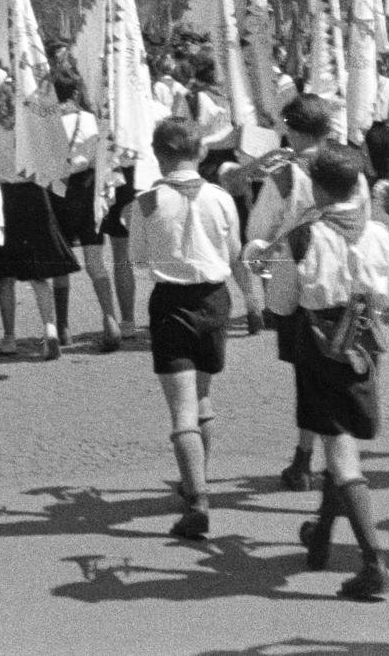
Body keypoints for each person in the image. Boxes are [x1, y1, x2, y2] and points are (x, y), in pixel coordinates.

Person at [242, 94, 370, 492]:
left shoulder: (284, 174)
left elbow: (257, 235)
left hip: (296, 282)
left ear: (293, 130)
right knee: (335, 369)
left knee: (309, 374)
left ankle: (311, 460)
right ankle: (321, 455)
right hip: (349, 283)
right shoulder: (352, 170)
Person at [286, 146, 389, 600]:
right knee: (340, 437)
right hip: (364, 341)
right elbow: (385, 294)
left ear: (318, 187)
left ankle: (374, 562)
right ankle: (322, 534)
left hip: (321, 342)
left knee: (341, 450)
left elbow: (280, 301)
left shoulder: (307, 232)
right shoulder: (380, 232)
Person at [126, 118, 241, 541]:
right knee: (203, 397)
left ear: (158, 154)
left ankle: (197, 500)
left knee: (182, 409)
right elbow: (233, 251)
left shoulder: (147, 201)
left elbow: (138, 258)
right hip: (214, 299)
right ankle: (198, 479)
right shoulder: (221, 197)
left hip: (172, 303)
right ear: (203, 153)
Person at [0, 84, 80, 360]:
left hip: (4, 197)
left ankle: (9, 337)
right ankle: (50, 328)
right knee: (38, 270)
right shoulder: (29, 133)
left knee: (6, 272)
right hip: (34, 196)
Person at [48, 70, 125, 353]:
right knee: (95, 260)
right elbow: (105, 157)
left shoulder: (49, 124)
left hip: (59, 191)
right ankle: (109, 318)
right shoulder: (92, 121)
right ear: (76, 93)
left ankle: (63, 326)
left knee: (60, 261)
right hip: (89, 190)